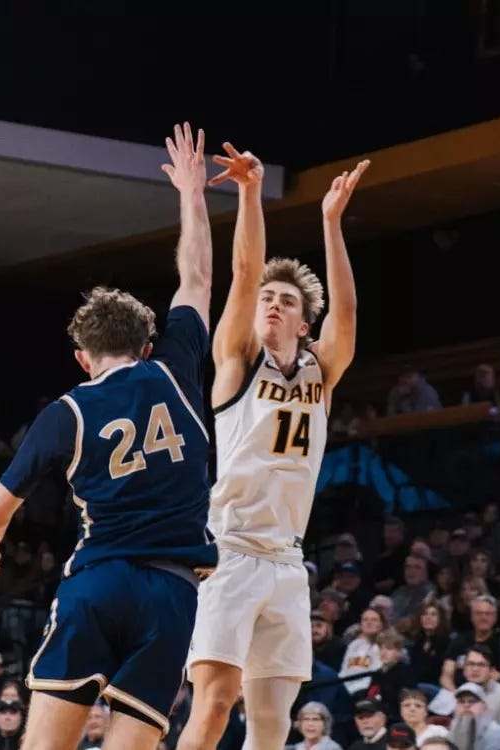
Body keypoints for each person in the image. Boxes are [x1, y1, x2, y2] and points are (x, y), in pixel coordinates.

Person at [0, 123, 216, 750]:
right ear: (148, 345)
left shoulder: (66, 412)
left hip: (98, 580)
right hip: (173, 589)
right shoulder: (176, 370)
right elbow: (198, 279)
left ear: (82, 358)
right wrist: (191, 190)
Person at [176, 139, 368, 750]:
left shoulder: (322, 369)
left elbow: (349, 310)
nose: (273, 305)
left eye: (286, 301)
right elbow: (242, 271)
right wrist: (252, 193)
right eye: (268, 299)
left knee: (272, 723)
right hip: (228, 550)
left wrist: (331, 224)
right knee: (213, 704)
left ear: (303, 323)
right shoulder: (235, 362)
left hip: (287, 560)